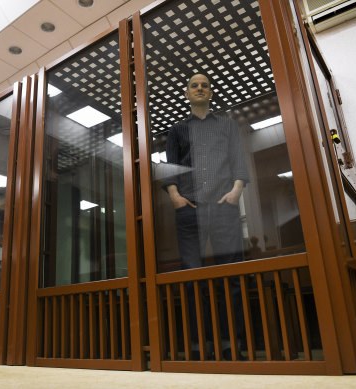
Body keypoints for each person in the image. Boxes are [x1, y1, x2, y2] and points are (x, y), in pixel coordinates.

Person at [164, 73, 248, 360]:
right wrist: (175, 196)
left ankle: (230, 343)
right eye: (194, 86)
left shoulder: (227, 125)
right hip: (190, 209)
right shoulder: (177, 130)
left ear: (210, 93)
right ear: (187, 94)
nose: (200, 89)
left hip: (224, 205)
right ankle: (199, 344)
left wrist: (237, 190)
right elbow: (170, 166)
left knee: (232, 277)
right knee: (191, 277)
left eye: (205, 85)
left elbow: (239, 159)